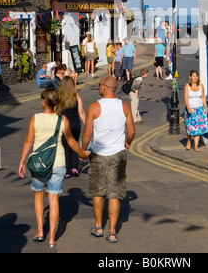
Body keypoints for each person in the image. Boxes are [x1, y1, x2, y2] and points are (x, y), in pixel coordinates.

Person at [18, 87, 89, 247]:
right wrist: (82, 154)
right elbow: (71, 142)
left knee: (38, 195)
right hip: (58, 163)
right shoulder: (63, 120)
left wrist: (22, 161)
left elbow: (28, 142)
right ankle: (52, 237)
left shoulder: (35, 118)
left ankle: (40, 231)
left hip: (38, 164)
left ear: (43, 102)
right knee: (54, 198)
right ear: (57, 102)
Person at [82, 76, 135, 243]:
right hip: (118, 154)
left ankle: (98, 226)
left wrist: (84, 149)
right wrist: (127, 142)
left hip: (98, 154)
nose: (99, 87)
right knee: (114, 193)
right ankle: (112, 232)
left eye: (99, 85)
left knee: (97, 191)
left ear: (105, 87)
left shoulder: (94, 106)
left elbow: (88, 133)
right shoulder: (124, 106)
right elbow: (132, 131)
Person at [57, 76, 86, 178]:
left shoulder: (59, 97)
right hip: (75, 124)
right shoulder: (77, 96)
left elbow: (57, 112)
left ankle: (67, 170)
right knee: (74, 145)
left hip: (64, 124)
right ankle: (75, 167)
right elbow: (81, 112)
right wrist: (87, 124)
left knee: (65, 147)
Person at [184, 70, 208, 151]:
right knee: (191, 128)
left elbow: (203, 98)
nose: (195, 78)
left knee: (198, 129)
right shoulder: (187, 86)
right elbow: (185, 99)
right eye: (193, 76)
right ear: (190, 77)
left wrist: (206, 107)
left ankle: (196, 146)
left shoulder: (201, 85)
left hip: (200, 109)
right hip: (191, 109)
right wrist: (188, 108)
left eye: (196, 76)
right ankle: (188, 140)